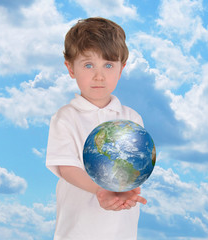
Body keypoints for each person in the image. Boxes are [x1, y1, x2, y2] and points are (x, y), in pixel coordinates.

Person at [46, 17, 147, 240]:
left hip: (122, 232)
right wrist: (101, 191)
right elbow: (67, 168)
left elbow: (135, 167)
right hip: (77, 232)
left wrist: (127, 190)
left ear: (122, 69)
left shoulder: (132, 118)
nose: (99, 76)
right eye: (88, 65)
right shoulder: (66, 118)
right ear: (70, 68)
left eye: (109, 65)